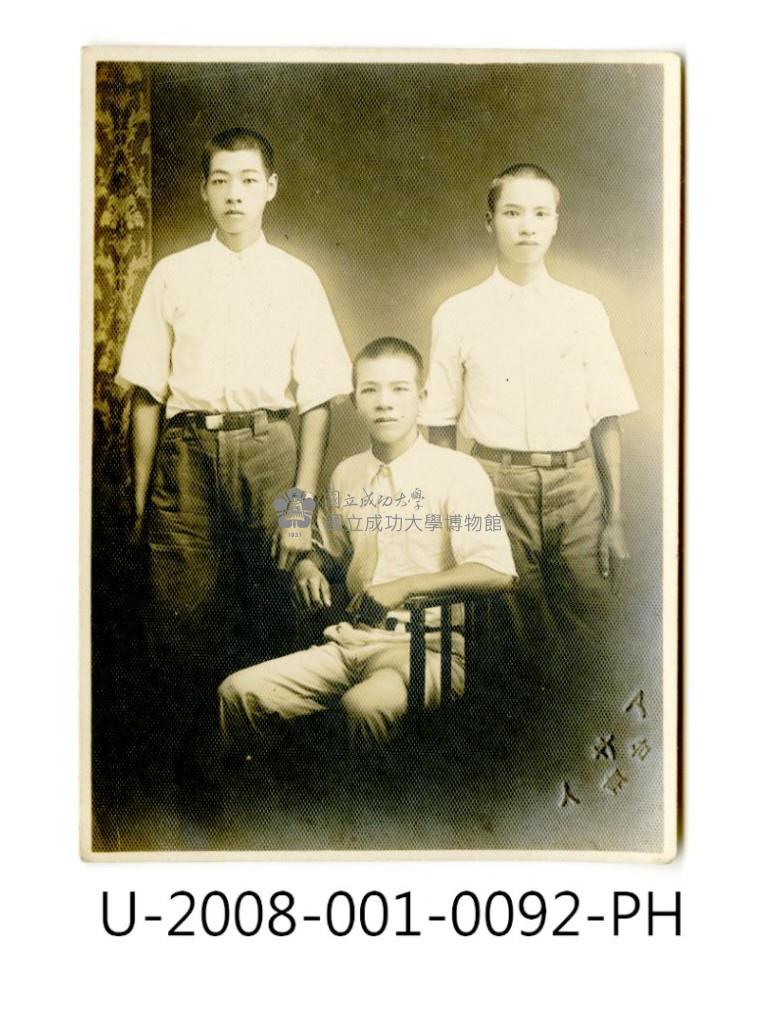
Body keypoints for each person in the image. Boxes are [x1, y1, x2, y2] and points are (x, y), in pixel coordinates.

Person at [115, 127, 352, 776]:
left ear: (270, 187)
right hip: (185, 456)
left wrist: (299, 508)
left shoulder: (297, 279)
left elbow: (318, 403)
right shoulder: (173, 275)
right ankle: (191, 780)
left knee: (278, 608)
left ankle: (275, 778)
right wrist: (142, 500)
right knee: (178, 620)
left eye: (248, 180)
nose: (234, 194)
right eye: (220, 180)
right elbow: (147, 396)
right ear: (203, 190)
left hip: (268, 450)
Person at [219, 337, 516, 751]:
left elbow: (497, 571)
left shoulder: (457, 472)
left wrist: (405, 586)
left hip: (429, 649)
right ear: (356, 402)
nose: (384, 403)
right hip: (352, 642)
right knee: (239, 693)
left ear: (422, 398)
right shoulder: (348, 473)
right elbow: (327, 549)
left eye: (399, 389)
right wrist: (307, 564)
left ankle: (369, 797)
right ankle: (263, 793)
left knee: (363, 706)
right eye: (370, 390)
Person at [419, 164, 639, 687]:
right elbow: (440, 425)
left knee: (592, 629)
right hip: (495, 486)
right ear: (489, 221)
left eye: (541, 213)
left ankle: (585, 734)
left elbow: (606, 416)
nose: (527, 226)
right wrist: (451, 514)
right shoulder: (458, 313)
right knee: (508, 634)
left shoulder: (584, 310)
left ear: (556, 222)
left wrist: (614, 517)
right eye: (512, 213)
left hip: (577, 487)